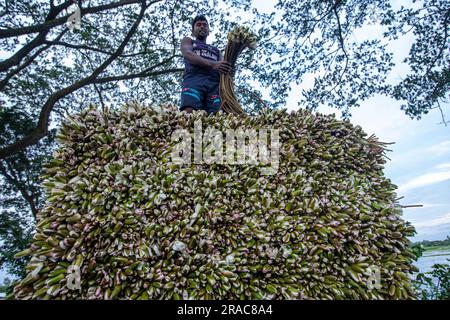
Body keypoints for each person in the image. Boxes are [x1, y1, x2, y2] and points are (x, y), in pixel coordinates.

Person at [180, 15, 232, 115]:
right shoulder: (189, 41)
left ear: (208, 31)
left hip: (214, 86)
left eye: (205, 25)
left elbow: (223, 67)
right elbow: (188, 54)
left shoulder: (216, 50)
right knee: (189, 113)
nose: (202, 26)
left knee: (219, 116)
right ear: (193, 31)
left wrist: (229, 70)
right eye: (198, 25)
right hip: (194, 80)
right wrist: (212, 64)